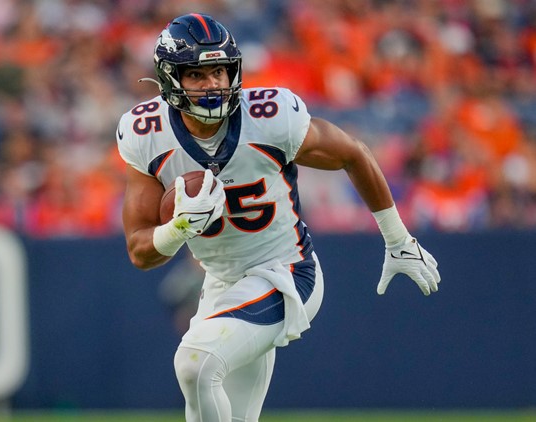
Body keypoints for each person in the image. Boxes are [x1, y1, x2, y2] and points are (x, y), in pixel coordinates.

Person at [116, 13, 441, 422]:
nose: (214, 84)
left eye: (219, 70)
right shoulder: (147, 133)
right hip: (223, 283)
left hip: (287, 272)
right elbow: (141, 252)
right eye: (197, 74)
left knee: (195, 363)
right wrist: (179, 227)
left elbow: (352, 153)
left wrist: (397, 240)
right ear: (170, 78)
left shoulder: (269, 116)